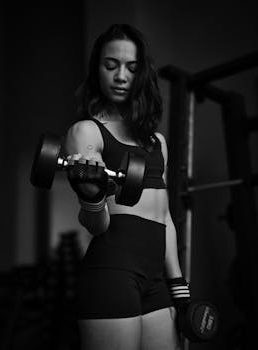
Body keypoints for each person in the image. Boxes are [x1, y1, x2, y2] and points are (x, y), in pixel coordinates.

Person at [65, 23, 190, 350]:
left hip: (156, 279)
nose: (121, 76)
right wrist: (92, 196)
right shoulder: (87, 133)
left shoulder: (156, 142)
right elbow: (97, 224)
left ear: (141, 75)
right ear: (97, 69)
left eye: (131, 68)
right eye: (111, 65)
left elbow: (164, 218)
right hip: (112, 271)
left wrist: (178, 285)